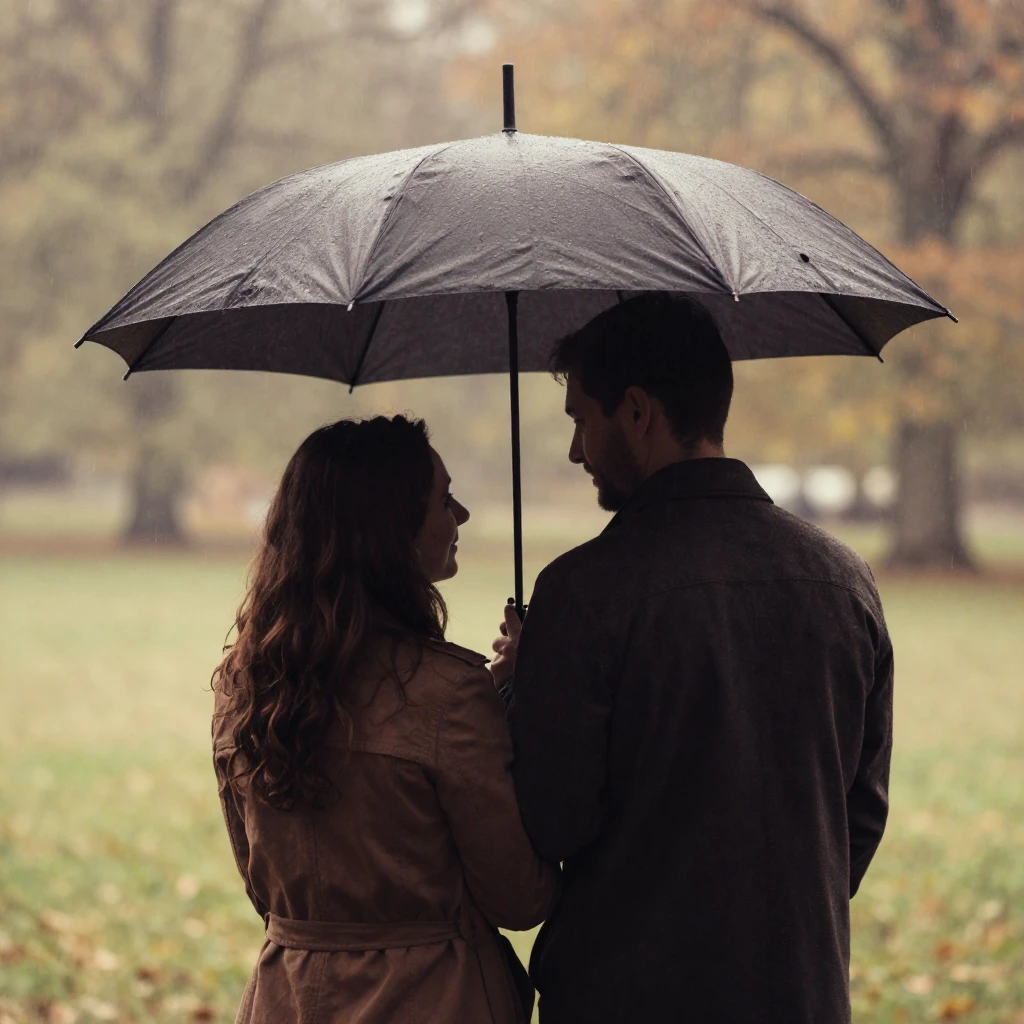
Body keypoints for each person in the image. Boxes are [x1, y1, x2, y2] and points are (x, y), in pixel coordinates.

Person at [490, 294, 893, 1024]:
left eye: (582, 419)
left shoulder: (583, 592)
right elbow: (859, 814)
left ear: (637, 412)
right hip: (799, 992)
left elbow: (552, 823)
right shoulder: (844, 578)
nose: (576, 450)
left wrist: (522, 692)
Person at [212, 415, 557, 1024]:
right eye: (444, 499)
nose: (462, 516)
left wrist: (489, 692)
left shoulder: (247, 685)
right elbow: (519, 896)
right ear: (388, 530)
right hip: (434, 1000)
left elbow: (264, 887)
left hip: (287, 1000)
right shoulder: (450, 693)